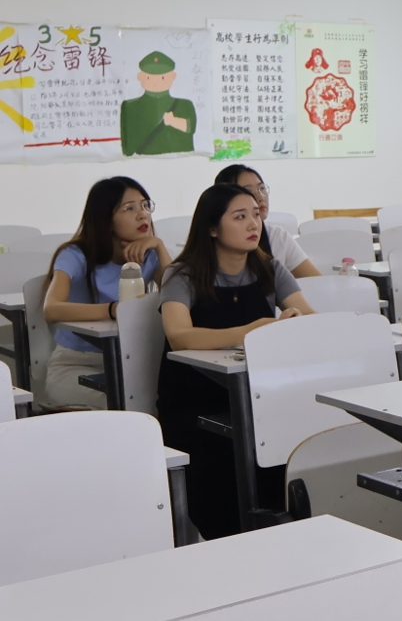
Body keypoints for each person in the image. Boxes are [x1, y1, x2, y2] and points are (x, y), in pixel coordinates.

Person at [157, 183, 315, 539]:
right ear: (212, 228)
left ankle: (279, 532)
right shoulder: (182, 274)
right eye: (240, 217)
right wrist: (250, 331)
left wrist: (293, 323)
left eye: (256, 215)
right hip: (195, 402)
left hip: (257, 396)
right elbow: (178, 335)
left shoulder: (270, 267)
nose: (253, 224)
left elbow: (309, 318)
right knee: (220, 472)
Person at [42, 177, 172, 410]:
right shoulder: (76, 254)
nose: (143, 215)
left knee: (170, 400)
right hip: (76, 366)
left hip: (131, 364)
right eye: (129, 208)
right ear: (107, 220)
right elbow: (51, 309)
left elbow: (178, 298)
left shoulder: (150, 254)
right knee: (125, 405)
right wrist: (114, 310)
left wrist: (160, 247)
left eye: (145, 205)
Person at [213, 164, 321, 279]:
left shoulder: (277, 237)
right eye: (248, 191)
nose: (260, 197)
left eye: (262, 188)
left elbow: (317, 282)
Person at [120, 51, 198, 156]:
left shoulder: (184, 105)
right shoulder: (129, 107)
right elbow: (127, 145)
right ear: (140, 77)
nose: (156, 82)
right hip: (142, 161)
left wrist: (173, 121)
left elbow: (191, 128)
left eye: (162, 78)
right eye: (149, 78)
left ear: (173, 76)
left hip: (179, 160)